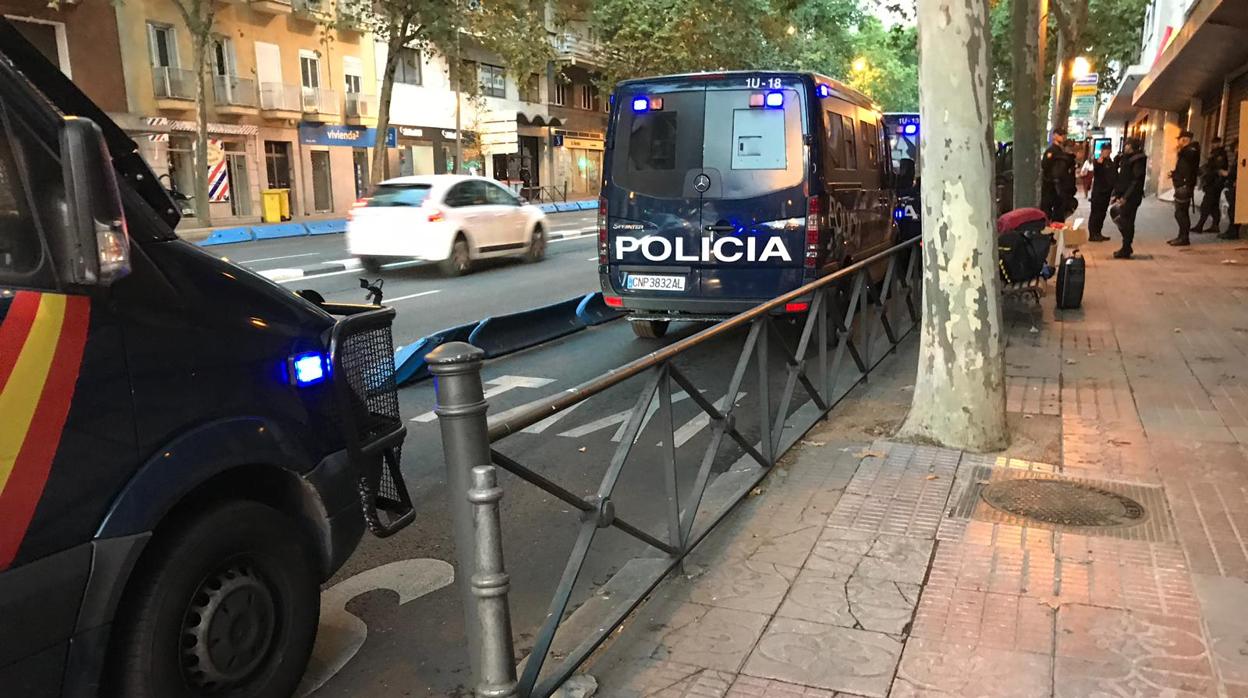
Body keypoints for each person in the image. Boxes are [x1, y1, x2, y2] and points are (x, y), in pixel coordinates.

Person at [1111, 138, 1147, 259]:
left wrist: (1126, 197)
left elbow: (1135, 181)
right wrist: (1116, 194)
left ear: (1132, 146)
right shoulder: (1127, 159)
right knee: (1119, 217)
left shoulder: (1137, 160)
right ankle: (1126, 246)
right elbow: (1122, 178)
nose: (1125, 147)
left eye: (1127, 145)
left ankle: (1126, 247)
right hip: (1124, 194)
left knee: (1126, 221)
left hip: (1131, 197)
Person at [1169, 130, 1201, 246]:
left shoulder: (1191, 150)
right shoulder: (1187, 152)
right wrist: (1174, 174)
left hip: (1184, 186)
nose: (1178, 142)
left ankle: (1184, 238)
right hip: (1182, 184)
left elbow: (1189, 161)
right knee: (1181, 212)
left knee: (1180, 213)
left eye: (1180, 140)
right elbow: (1184, 168)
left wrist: (1181, 149)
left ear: (1184, 140)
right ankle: (1181, 236)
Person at [1194, 136, 1229, 233]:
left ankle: (1200, 226)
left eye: (1215, 143)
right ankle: (1215, 226)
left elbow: (1217, 169)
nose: (1213, 145)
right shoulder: (1214, 154)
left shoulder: (1219, 155)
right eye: (1213, 143)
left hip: (1215, 183)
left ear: (1219, 143)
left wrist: (1207, 172)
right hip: (1212, 183)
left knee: (1205, 205)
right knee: (1213, 205)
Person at [1041, 128, 1076, 222]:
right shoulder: (1051, 151)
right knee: (1050, 212)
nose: (1062, 137)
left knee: (1059, 212)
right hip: (1051, 186)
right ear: (1054, 136)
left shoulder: (1061, 152)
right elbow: (1045, 166)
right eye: (1060, 135)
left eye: (1063, 135)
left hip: (1061, 187)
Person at [1088, 143, 1117, 242]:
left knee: (1102, 214)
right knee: (1095, 214)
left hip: (1107, 193)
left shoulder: (1111, 162)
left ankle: (1098, 233)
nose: (1107, 151)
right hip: (1098, 193)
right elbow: (1096, 171)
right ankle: (1092, 234)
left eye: (1108, 149)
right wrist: (1099, 163)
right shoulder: (1098, 161)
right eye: (1105, 150)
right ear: (1101, 151)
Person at [1222, 139, 1240, 240]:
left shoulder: (1243, 157)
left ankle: (1233, 232)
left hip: (1236, 187)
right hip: (1232, 186)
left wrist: (1228, 174)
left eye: (1236, 147)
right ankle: (1231, 230)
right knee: (1231, 210)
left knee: (1234, 210)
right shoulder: (1238, 157)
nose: (1235, 150)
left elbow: (1239, 171)